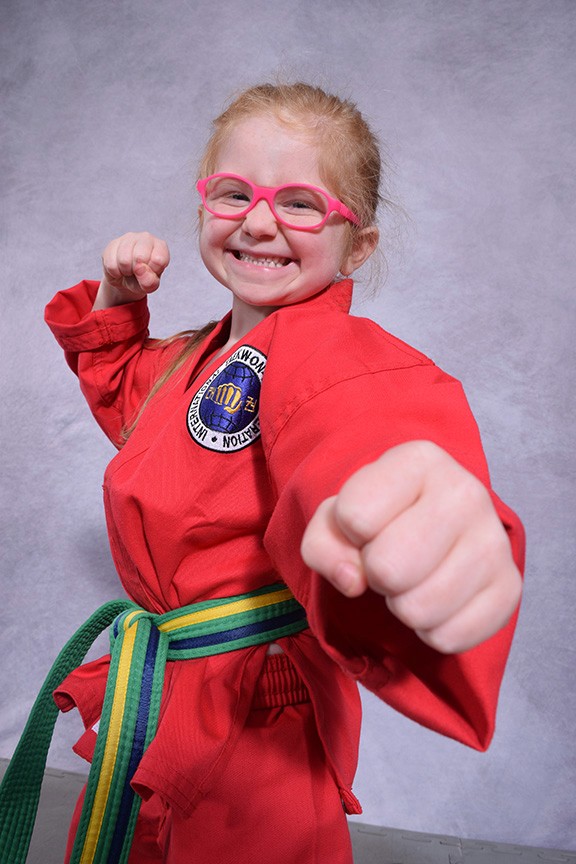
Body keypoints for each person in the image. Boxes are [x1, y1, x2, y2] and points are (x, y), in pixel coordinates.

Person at [6, 83, 524, 864]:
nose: (257, 220)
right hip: (162, 699)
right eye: (234, 192)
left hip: (252, 719)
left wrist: (410, 515)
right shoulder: (193, 356)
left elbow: (355, 428)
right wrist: (117, 296)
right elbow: (123, 391)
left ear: (359, 245)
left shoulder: (331, 356)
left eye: (301, 204)